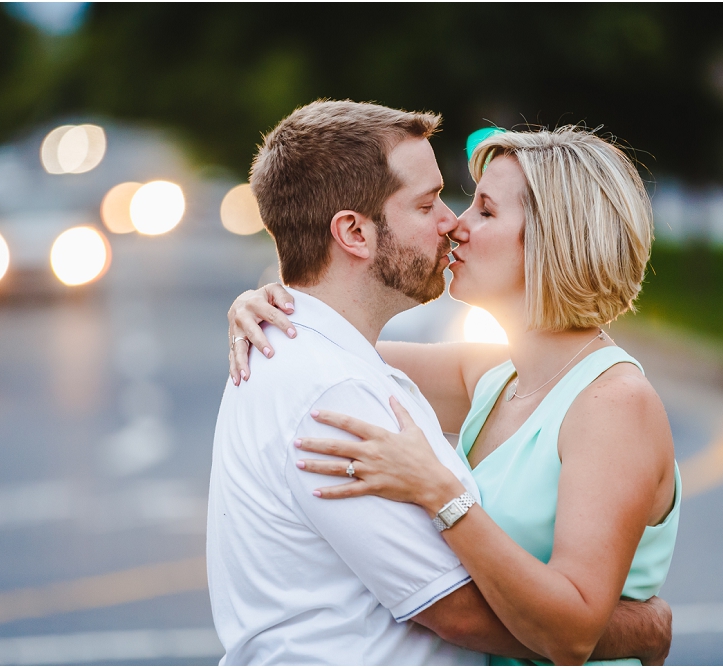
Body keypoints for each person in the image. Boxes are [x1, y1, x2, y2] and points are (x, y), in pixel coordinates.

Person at [210, 100, 672, 665]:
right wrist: (273, 309)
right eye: (444, 204)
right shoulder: (494, 377)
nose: (455, 223)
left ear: (551, 240)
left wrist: (442, 492)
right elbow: (337, 351)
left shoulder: (613, 404)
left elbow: (573, 630)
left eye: (484, 211)